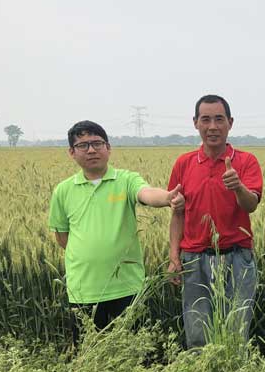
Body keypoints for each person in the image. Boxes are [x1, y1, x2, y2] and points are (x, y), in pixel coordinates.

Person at [49, 120, 184, 339]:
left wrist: (167, 198)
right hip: (83, 289)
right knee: (88, 354)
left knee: (136, 352)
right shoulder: (63, 191)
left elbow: (146, 193)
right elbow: (62, 236)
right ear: (71, 152)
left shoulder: (125, 180)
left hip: (127, 287)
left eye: (97, 143)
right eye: (83, 145)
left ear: (108, 148)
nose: (91, 149)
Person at [167, 95, 263, 348]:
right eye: (205, 119)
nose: (212, 126)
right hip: (194, 258)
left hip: (237, 257)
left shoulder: (246, 161)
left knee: (236, 328)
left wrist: (238, 187)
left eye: (219, 119)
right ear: (195, 123)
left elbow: (250, 204)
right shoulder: (184, 163)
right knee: (197, 329)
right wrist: (174, 257)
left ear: (230, 123)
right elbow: (177, 212)